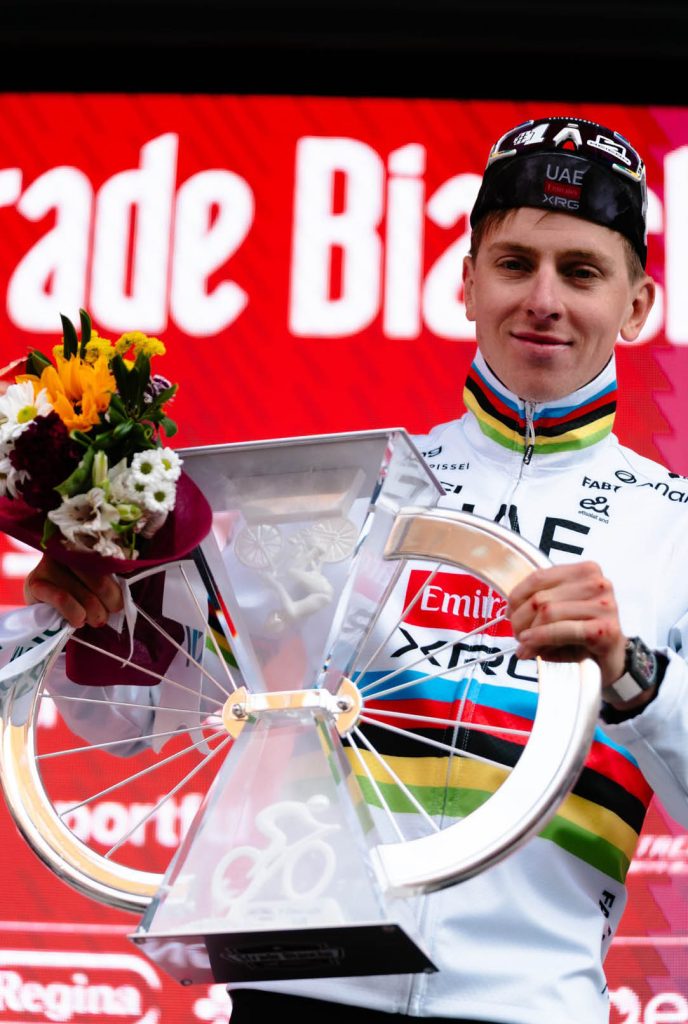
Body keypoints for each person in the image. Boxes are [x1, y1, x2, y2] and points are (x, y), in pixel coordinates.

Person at [8, 115, 688, 1024]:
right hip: (301, 986)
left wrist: (632, 675)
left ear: (637, 306)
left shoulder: (674, 526)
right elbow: (127, 725)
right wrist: (93, 615)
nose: (543, 299)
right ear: (468, 283)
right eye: (515, 263)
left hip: (530, 1004)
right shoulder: (343, 487)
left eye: (582, 271)